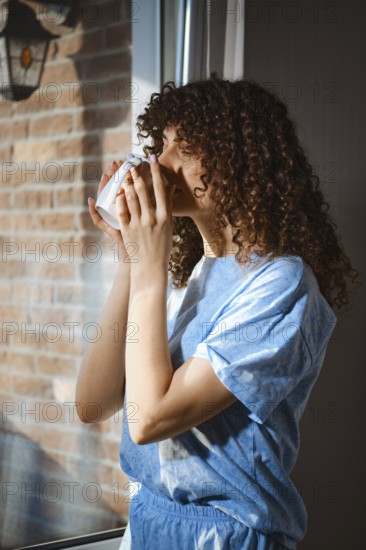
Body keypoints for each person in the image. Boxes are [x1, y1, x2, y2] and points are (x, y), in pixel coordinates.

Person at [76, 76, 360, 549]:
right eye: (161, 144)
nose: (158, 163)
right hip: (148, 523)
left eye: (182, 148)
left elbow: (148, 419)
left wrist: (148, 268)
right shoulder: (186, 276)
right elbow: (92, 403)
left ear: (239, 161)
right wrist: (130, 262)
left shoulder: (283, 285)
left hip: (225, 535)